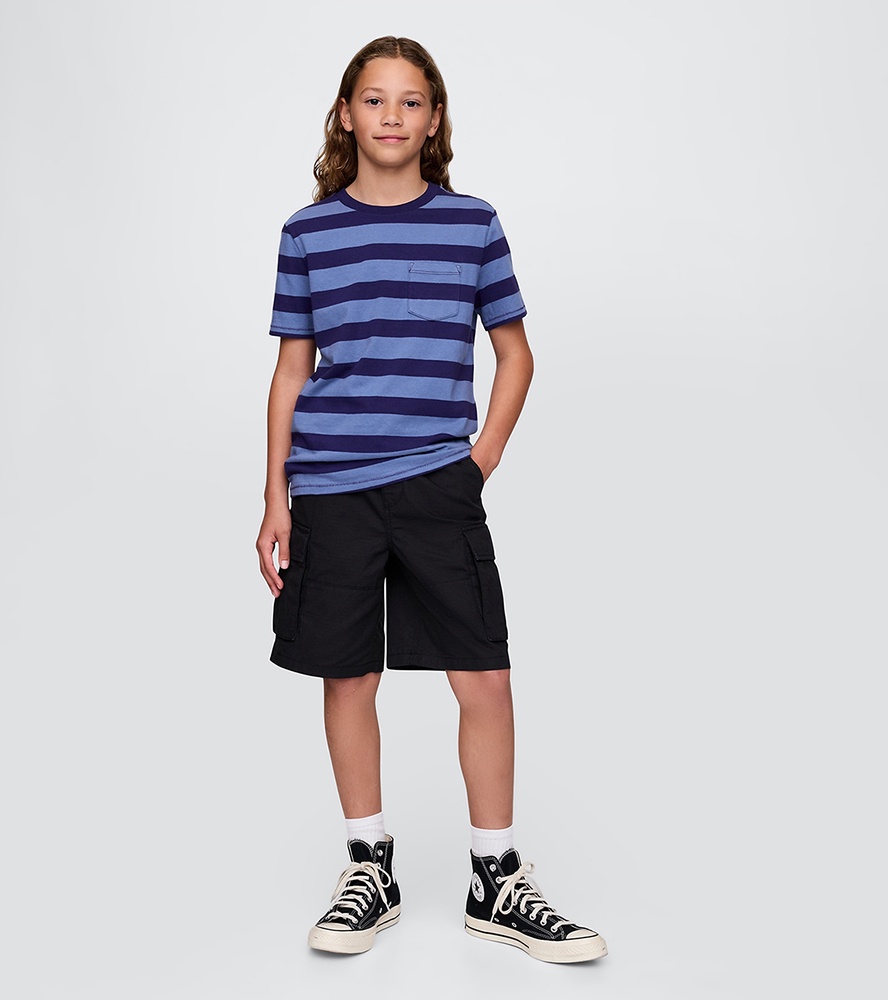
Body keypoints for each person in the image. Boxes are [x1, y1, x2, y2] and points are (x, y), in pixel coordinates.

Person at [255, 35, 607, 964]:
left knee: (482, 674)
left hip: (437, 484)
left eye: (411, 101)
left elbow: (515, 354)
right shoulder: (308, 232)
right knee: (348, 675)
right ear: (346, 115)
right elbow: (291, 372)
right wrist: (275, 498)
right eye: (375, 100)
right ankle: (369, 867)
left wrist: (477, 461)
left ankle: (496, 879)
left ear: (434, 118)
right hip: (331, 487)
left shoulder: (472, 224)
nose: (392, 116)